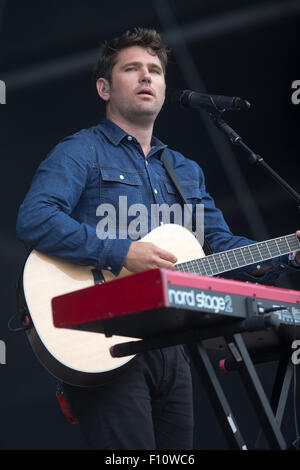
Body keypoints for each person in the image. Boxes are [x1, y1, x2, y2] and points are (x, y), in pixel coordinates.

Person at [16, 28, 300, 450]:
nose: (146, 77)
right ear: (105, 88)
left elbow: (221, 247)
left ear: (165, 88)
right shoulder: (81, 151)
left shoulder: (185, 170)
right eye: (132, 69)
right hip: (105, 335)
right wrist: (123, 251)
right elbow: (35, 218)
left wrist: (287, 254)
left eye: (154, 70)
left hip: (174, 344)